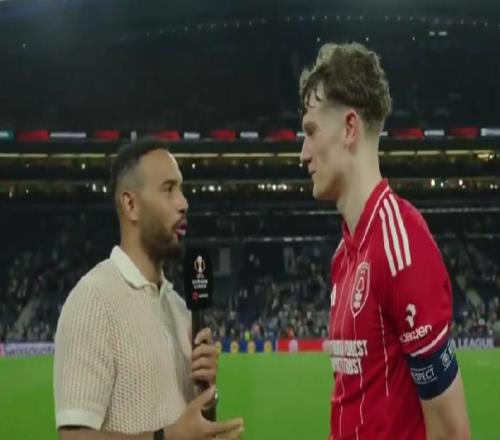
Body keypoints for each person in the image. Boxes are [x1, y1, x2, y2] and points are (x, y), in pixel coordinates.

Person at [299, 43, 470, 440]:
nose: (303, 153)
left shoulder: (401, 246)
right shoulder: (344, 255)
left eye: (310, 131)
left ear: (349, 128)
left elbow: (451, 432)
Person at [53, 137, 244, 440]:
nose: (183, 203)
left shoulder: (180, 309)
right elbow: (73, 438)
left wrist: (207, 397)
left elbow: (185, 428)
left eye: (181, 189)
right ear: (131, 205)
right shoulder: (93, 300)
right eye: (169, 189)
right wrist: (166, 438)